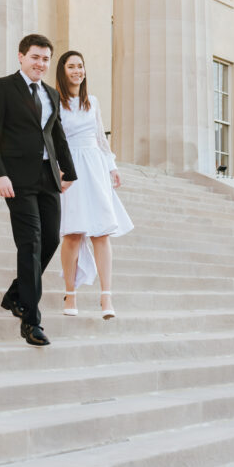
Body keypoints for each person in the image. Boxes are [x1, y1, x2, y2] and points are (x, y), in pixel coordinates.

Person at [0, 33, 77, 347]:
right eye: (35, 57)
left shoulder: (51, 93)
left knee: (50, 239)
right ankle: (30, 320)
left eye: (46, 59)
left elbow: (56, 134)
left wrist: (69, 171)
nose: (41, 64)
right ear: (21, 57)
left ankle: (15, 293)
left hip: (47, 179)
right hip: (17, 179)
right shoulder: (2, 88)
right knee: (31, 243)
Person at [55, 50, 133, 319]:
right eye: (71, 67)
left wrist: (112, 166)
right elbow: (53, 140)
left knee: (101, 232)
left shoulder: (93, 102)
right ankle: (70, 293)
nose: (77, 71)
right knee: (73, 233)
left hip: (95, 166)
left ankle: (106, 297)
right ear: (63, 72)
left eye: (80, 66)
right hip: (71, 167)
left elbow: (100, 137)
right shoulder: (56, 102)